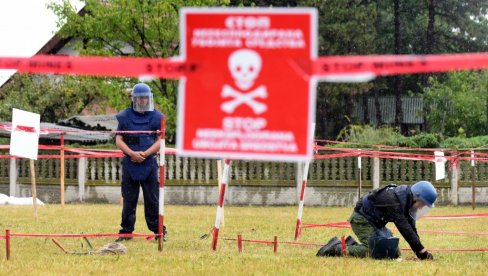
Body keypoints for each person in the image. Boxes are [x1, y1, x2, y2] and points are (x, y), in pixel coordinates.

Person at [317, 180, 437, 260]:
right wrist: (422, 252)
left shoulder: (406, 198)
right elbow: (405, 229)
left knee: (393, 253)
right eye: (422, 204)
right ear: (416, 197)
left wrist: (420, 252)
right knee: (374, 251)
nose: (421, 207)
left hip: (376, 223)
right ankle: (336, 249)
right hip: (362, 220)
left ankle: (350, 244)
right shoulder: (394, 200)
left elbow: (411, 227)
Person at [114, 83, 166, 242]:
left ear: (149, 98)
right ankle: (126, 232)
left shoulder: (157, 117)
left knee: (152, 200)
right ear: (134, 99)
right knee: (129, 200)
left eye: (145, 98)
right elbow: (118, 139)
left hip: (149, 164)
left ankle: (159, 232)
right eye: (140, 98)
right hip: (130, 165)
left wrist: (146, 153)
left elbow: (161, 140)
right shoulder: (124, 117)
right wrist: (131, 153)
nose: (143, 100)